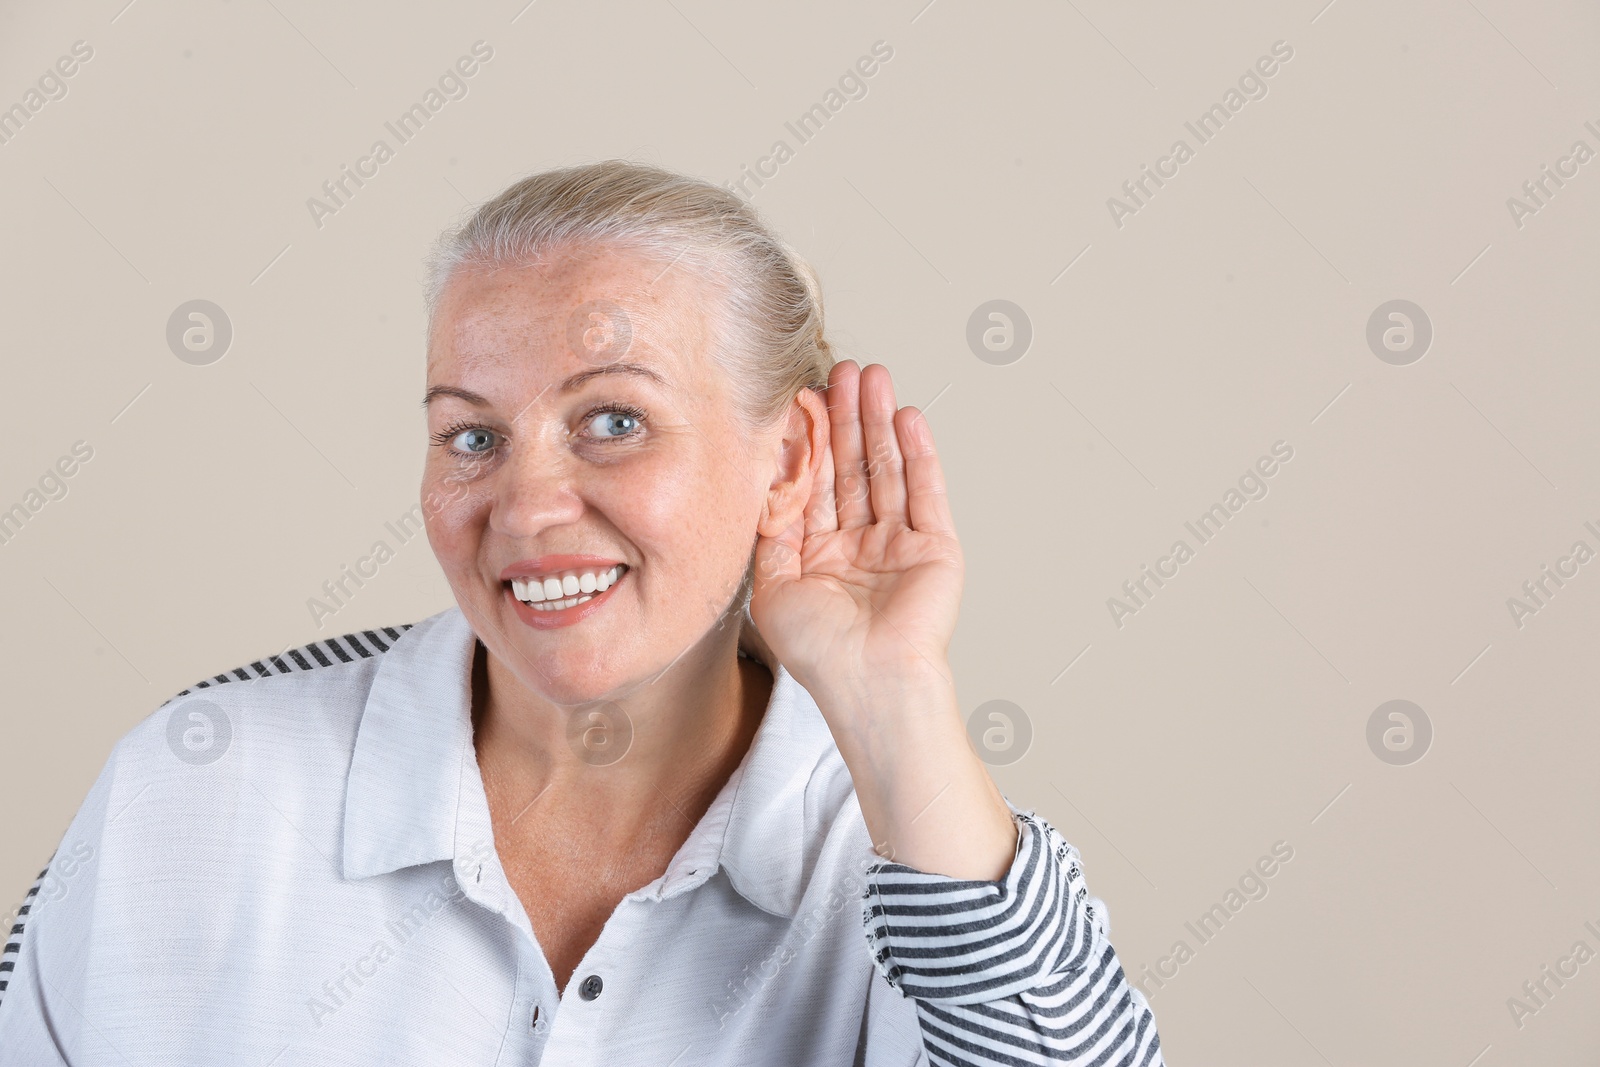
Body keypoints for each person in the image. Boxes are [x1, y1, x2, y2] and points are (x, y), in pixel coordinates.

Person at [0, 160, 1165, 1065]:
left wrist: (892, 695)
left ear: (793, 451)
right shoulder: (196, 786)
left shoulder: (913, 851)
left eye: (612, 419)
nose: (527, 504)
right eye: (472, 434)